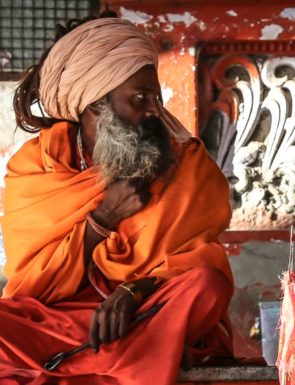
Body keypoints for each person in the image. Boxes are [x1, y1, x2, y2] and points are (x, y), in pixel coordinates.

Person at [0, 16, 234, 384]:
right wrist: (103, 219)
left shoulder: (185, 163)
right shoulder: (37, 166)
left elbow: (196, 268)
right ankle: (130, 365)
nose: (154, 110)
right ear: (96, 105)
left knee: (208, 285)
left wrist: (133, 290)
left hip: (147, 313)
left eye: (156, 97)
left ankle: (90, 368)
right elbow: (32, 287)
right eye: (140, 98)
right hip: (62, 325)